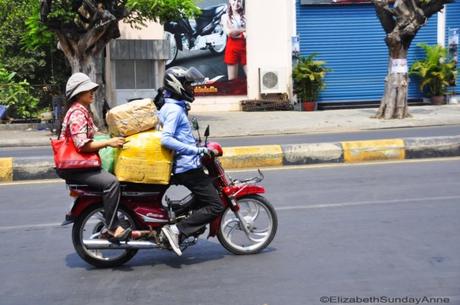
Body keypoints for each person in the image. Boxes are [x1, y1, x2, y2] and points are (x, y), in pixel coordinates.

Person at [56, 73, 131, 241]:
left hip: (80, 165)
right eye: (87, 90)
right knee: (111, 183)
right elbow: (83, 144)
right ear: (77, 93)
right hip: (76, 168)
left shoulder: (82, 111)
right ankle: (112, 227)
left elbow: (97, 135)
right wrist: (110, 142)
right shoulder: (77, 113)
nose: (91, 93)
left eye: (91, 89)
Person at [159, 66, 224, 256]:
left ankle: (180, 215)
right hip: (186, 167)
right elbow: (167, 138)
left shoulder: (175, 107)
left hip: (187, 164)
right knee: (216, 205)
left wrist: (197, 145)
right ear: (177, 85)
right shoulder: (173, 110)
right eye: (188, 84)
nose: (192, 88)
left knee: (208, 188)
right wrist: (197, 150)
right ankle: (177, 230)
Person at [221, 0, 247, 81]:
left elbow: (252, 32)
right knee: (232, 79)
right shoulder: (225, 17)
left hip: (246, 47)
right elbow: (229, 33)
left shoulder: (246, 16)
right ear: (230, 1)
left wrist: (236, 31)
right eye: (234, 0)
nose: (236, 3)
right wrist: (244, 30)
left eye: (239, 1)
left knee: (252, 77)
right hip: (232, 48)